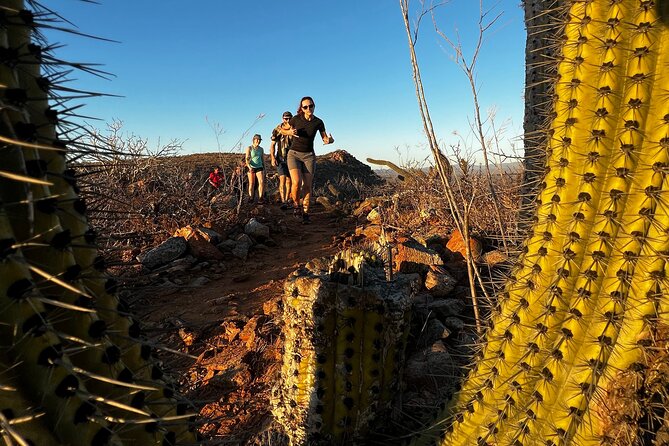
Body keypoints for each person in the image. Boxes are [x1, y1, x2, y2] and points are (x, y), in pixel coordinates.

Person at [281, 96, 334, 224]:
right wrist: (289, 133)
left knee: (307, 186)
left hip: (309, 156)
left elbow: (324, 138)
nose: (308, 108)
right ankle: (296, 206)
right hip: (294, 154)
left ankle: (305, 213)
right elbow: (282, 129)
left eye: (310, 106)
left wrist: (329, 141)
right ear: (302, 108)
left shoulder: (318, 122)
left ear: (314, 106)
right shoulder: (295, 119)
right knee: (297, 182)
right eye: (305, 107)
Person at [270, 111, 294, 208]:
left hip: (292, 157)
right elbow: (272, 144)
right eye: (285, 118)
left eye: (289, 118)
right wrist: (272, 157)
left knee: (289, 180)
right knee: (282, 179)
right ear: (282, 118)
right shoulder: (277, 129)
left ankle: (287, 199)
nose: (287, 120)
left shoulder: (294, 128)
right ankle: (284, 201)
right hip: (280, 157)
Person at [245, 134, 265, 204]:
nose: (258, 141)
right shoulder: (249, 148)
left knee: (261, 182)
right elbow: (247, 159)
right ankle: (251, 198)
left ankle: (260, 198)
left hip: (259, 167)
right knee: (251, 183)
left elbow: (262, 159)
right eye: (257, 139)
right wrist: (249, 167)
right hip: (251, 167)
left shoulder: (261, 149)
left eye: (259, 140)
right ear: (254, 140)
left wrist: (264, 168)